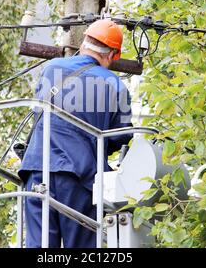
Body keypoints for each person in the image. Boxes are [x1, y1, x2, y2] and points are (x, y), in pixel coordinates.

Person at [18, 19, 133, 248]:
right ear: (112, 55)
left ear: (84, 43)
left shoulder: (51, 69)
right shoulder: (116, 85)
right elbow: (120, 139)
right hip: (81, 178)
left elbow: (38, 113)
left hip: (37, 168)